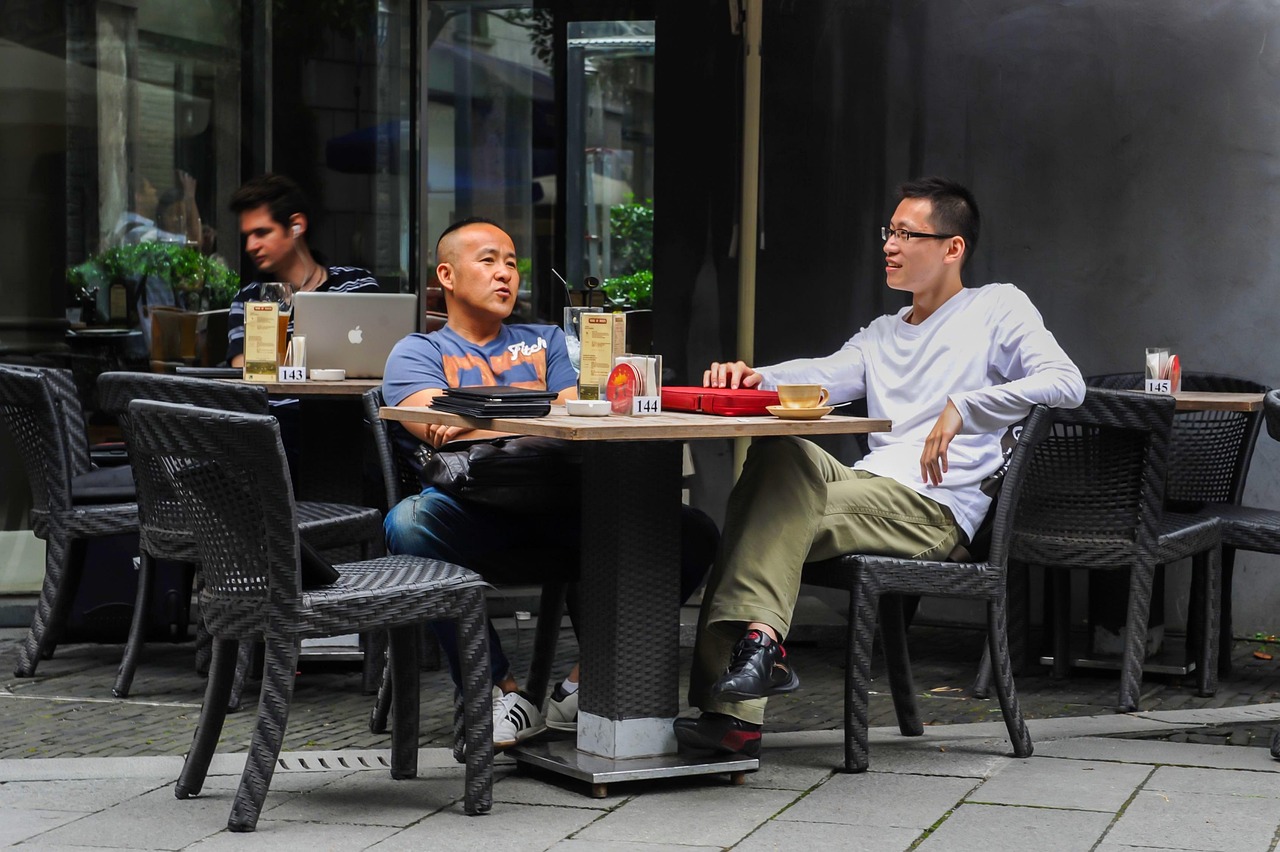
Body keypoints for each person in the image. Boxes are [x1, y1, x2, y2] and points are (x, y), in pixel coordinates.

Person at [674, 176, 1087, 759]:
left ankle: (735, 712)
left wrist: (966, 405)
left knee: (758, 512)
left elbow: (1066, 382)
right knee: (778, 450)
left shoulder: (997, 307)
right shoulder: (883, 333)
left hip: (933, 509)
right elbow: (824, 372)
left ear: (952, 247)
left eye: (907, 234)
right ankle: (761, 650)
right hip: (866, 487)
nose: (890, 246)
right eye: (889, 232)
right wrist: (756, 377)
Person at [382, 216, 718, 749]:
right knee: (408, 523)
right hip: (475, 512)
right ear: (446, 275)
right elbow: (431, 424)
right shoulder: (417, 351)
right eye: (488, 261)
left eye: (511, 263)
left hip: (568, 505)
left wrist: (473, 412)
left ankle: (586, 684)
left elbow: (580, 407)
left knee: (692, 532)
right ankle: (500, 693)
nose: (505, 274)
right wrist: (540, 406)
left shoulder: (548, 340)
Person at [225, 173, 379, 367]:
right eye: (247, 236)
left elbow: (377, 355)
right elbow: (242, 369)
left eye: (262, 232)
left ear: (296, 226)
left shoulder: (356, 284)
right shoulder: (248, 300)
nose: (250, 246)